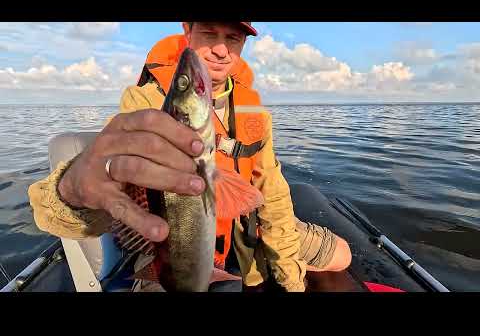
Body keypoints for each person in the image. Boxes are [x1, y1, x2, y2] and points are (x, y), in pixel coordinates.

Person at [28, 22, 351, 292]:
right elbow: (110, 183)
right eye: (209, 34)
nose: (221, 50)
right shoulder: (144, 103)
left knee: (342, 255)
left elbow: (273, 192)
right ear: (188, 30)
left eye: (233, 38)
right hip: (171, 240)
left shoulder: (252, 108)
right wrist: (69, 193)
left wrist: (289, 278)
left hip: (241, 227)